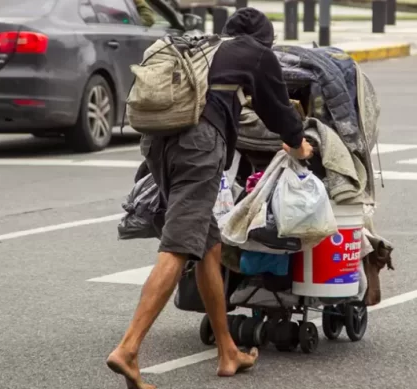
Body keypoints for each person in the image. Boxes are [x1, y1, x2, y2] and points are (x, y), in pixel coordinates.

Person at [106, 7, 313, 389]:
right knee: (181, 243)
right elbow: (276, 108)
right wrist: (298, 143)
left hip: (156, 142)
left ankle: (227, 351)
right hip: (198, 145)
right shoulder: (257, 53)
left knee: (208, 244)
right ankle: (129, 349)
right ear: (265, 40)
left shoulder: (203, 45)